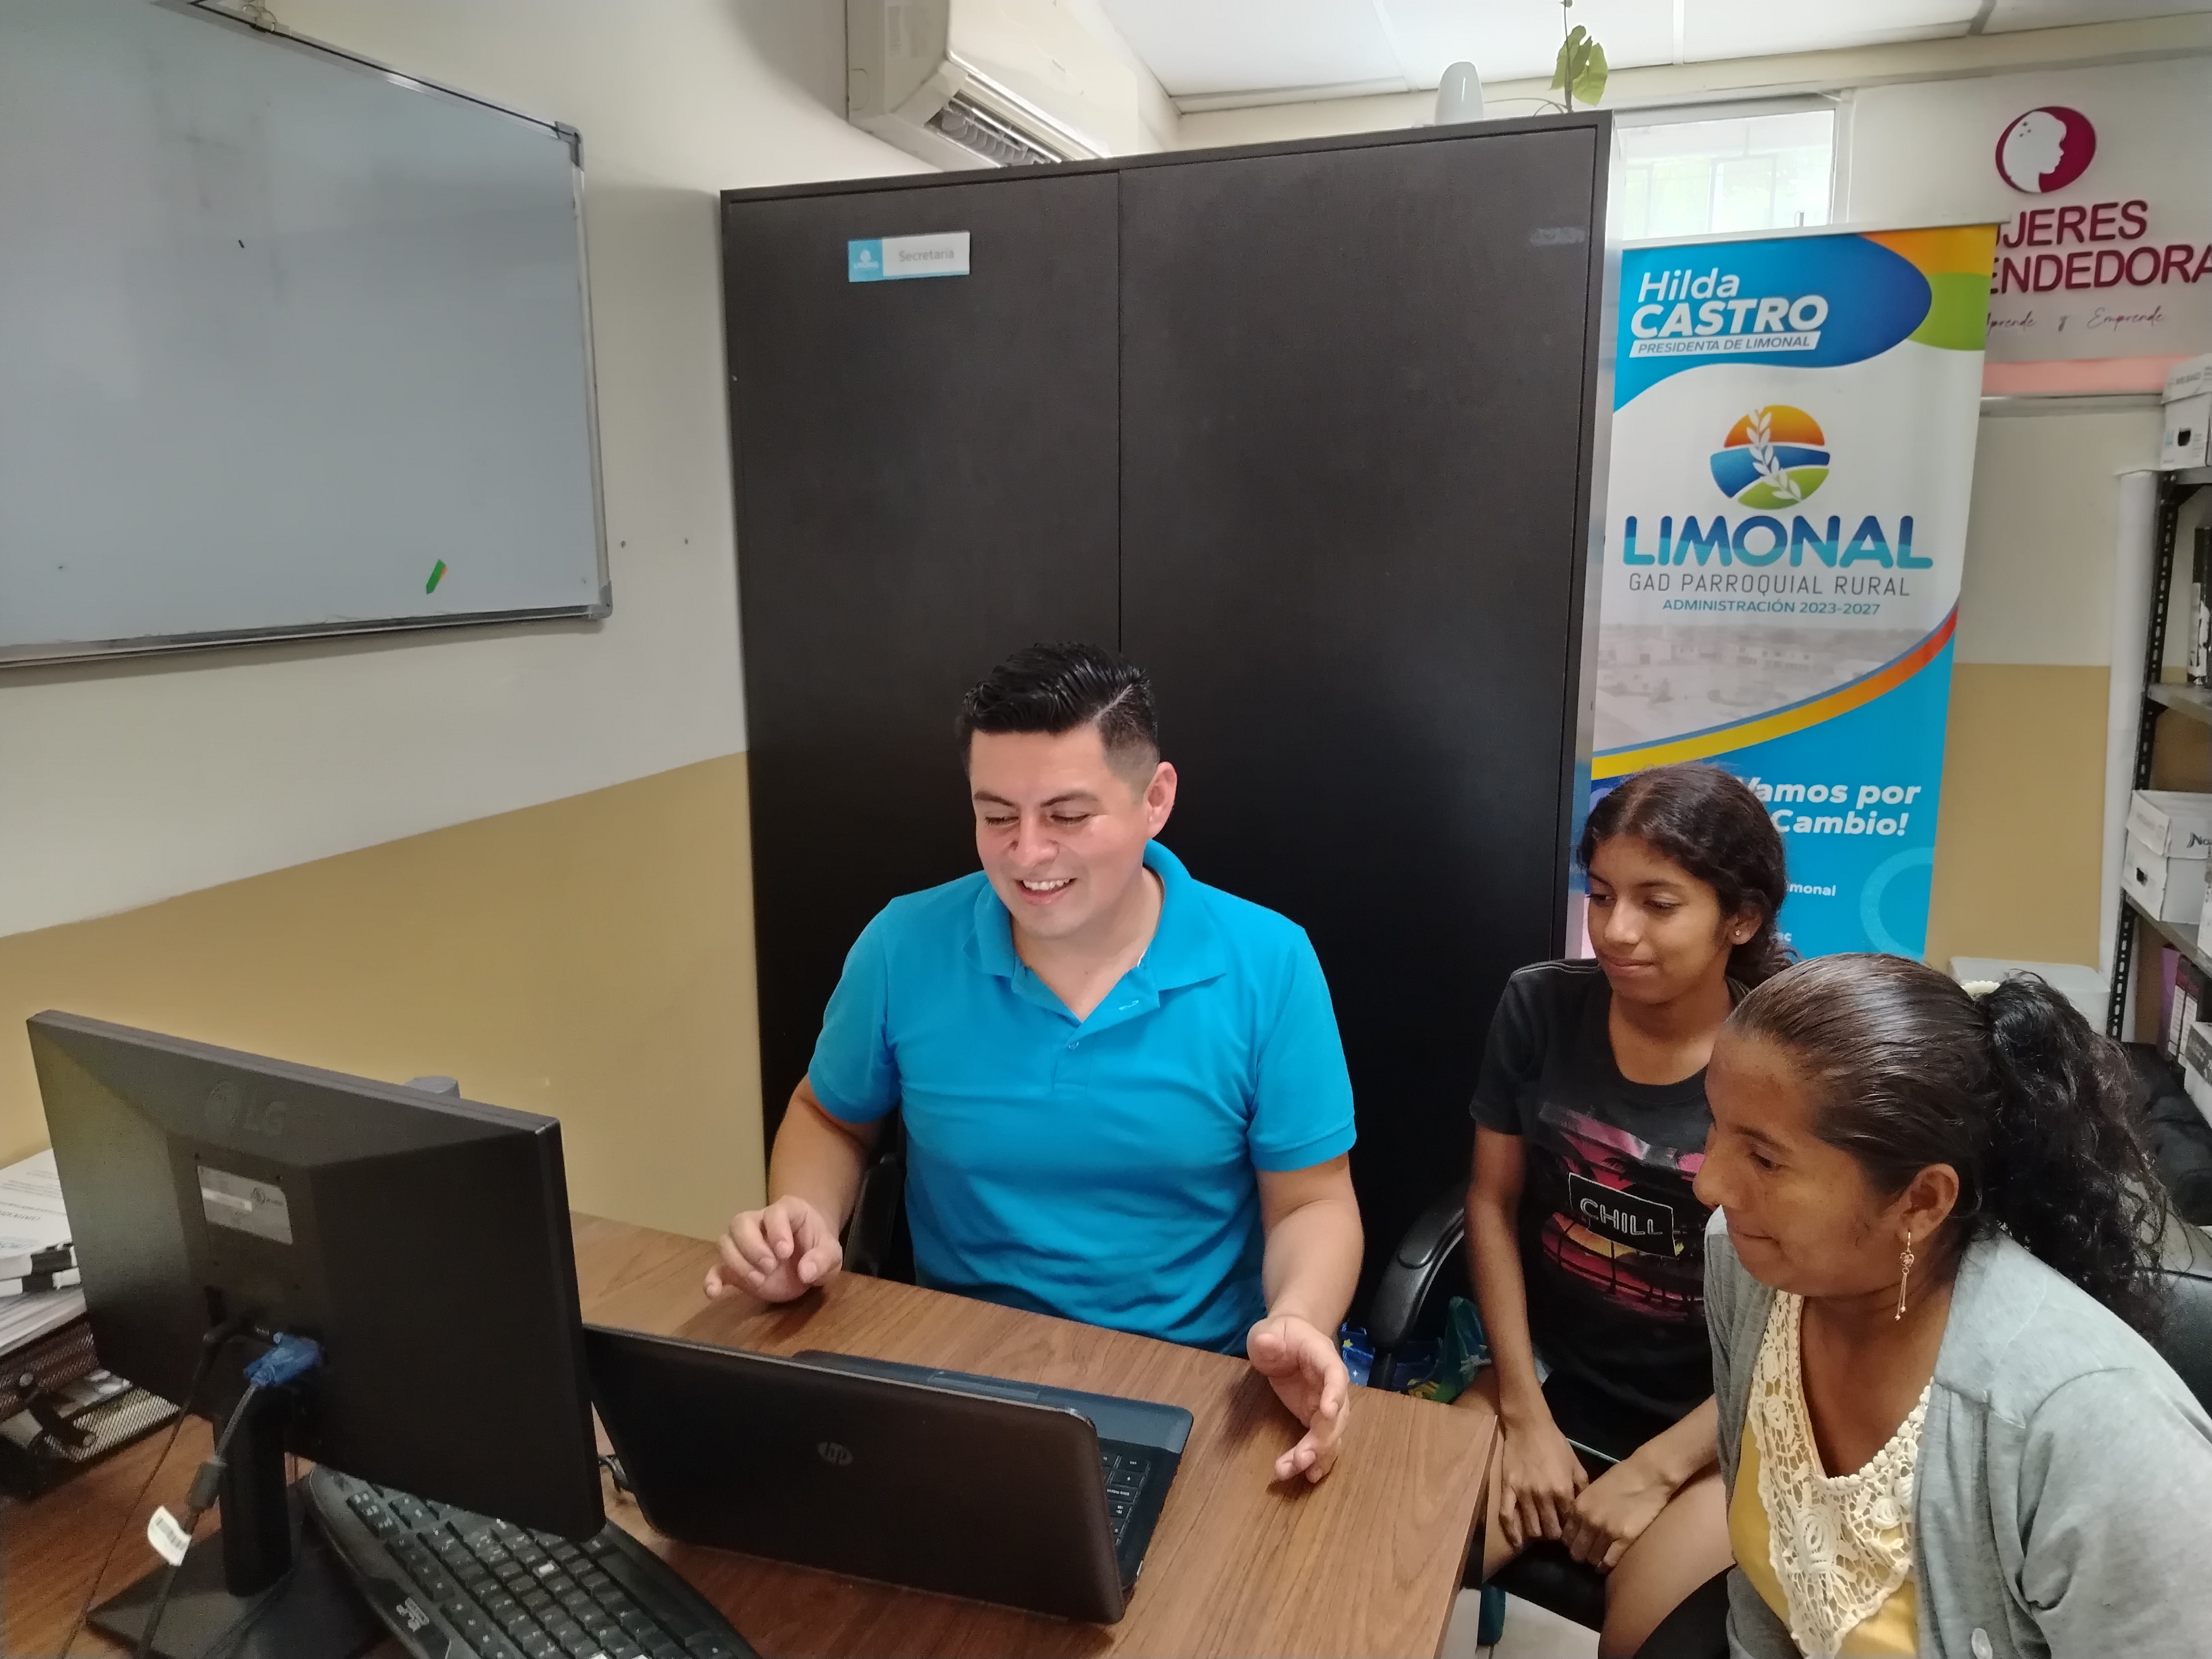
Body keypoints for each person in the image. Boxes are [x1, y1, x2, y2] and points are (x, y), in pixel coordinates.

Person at [706, 642, 1364, 1482]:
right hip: (957, 1373)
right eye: (997, 817)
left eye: (1067, 816)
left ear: (1155, 799)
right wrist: (801, 1219)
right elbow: (830, 1115)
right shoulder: (904, 946)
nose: (1026, 854)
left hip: (1193, 1384)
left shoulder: (1269, 963)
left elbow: (1312, 1202)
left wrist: (1300, 1318)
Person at [1696, 955, 2212, 1657]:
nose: (1708, 1183)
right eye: (1714, 1127)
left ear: (1921, 1201)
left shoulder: (2087, 1427)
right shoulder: (1747, 1262)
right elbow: (1764, 1596)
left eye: (1763, 1159)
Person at [1461, 763, 1790, 1658]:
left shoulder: (1784, 1061)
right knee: (1394, 1560)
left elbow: (1799, 1315)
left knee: (1643, 1641)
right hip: (1550, 1381)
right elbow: (1489, 1202)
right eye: (1602, 896)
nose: (1615, 930)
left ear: (1741, 918)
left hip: (1716, 1420)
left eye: (1658, 903)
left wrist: (1657, 1471)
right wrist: (1525, 1415)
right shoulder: (1539, 1005)